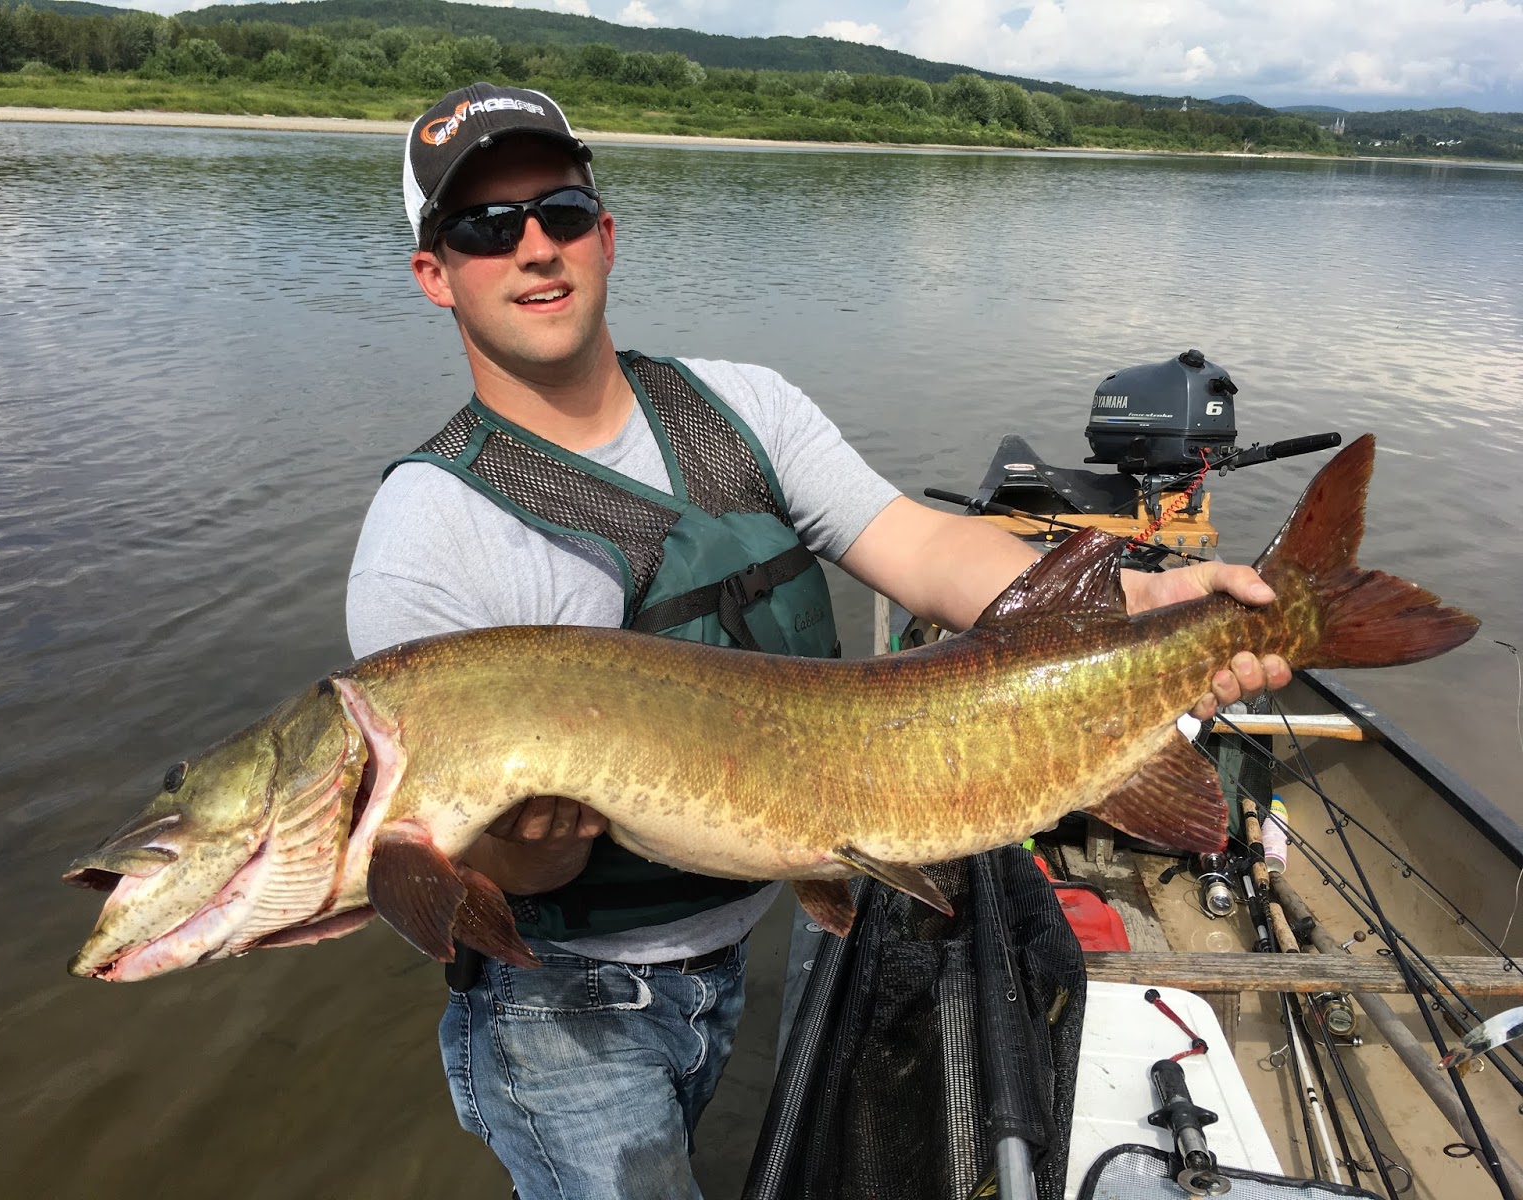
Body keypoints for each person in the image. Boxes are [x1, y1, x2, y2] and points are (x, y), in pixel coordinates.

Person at [345, 82, 1291, 1200]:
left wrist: (1149, 602)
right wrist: (534, 845)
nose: (533, 249)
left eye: (558, 211)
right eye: (485, 228)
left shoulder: (739, 408)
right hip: (561, 1006)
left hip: (738, 933)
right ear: (434, 273)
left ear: (605, 234)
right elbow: (483, 871)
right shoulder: (425, 536)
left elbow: (924, 549)